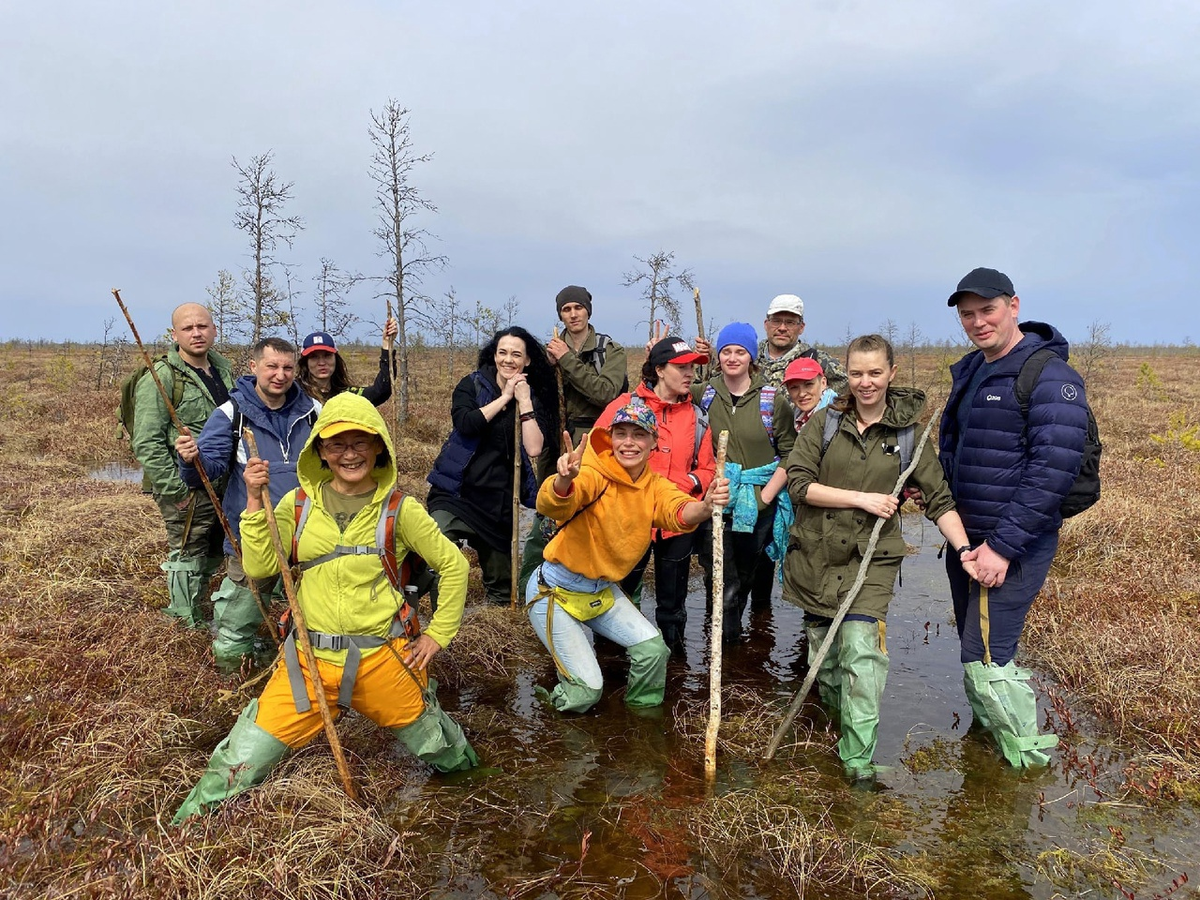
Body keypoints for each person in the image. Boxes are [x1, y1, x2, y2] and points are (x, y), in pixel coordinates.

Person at [173, 393, 477, 822]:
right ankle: (184, 831)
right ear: (320, 449)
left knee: (443, 750)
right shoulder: (295, 505)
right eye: (336, 444)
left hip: (383, 660)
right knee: (240, 764)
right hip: (308, 664)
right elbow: (260, 567)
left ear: (379, 448)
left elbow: (454, 566)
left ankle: (481, 800)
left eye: (360, 443)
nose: (349, 454)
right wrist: (255, 502)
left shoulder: (400, 509)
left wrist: (437, 635)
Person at [783, 334, 976, 783]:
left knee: (861, 653)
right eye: (856, 374)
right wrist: (864, 499)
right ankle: (835, 725)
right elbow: (798, 483)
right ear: (844, 376)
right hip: (816, 557)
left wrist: (964, 548)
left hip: (872, 561)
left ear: (891, 373)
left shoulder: (908, 435)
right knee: (825, 663)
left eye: (874, 373)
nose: (865, 383)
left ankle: (857, 765)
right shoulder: (826, 423)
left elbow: (939, 500)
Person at [939, 267, 1088, 768]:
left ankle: (1024, 769)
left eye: (988, 310)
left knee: (987, 658)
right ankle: (988, 747)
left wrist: (1002, 547)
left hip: (1008, 546)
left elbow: (1054, 470)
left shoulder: (1049, 376)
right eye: (968, 314)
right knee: (975, 648)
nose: (978, 322)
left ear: (1014, 306)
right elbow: (963, 448)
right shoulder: (973, 369)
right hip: (967, 539)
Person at [525, 402, 729, 713]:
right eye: (621, 434)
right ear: (611, 439)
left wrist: (706, 505)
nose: (629, 443)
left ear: (653, 444)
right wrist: (564, 479)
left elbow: (678, 511)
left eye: (639, 435)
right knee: (587, 695)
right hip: (554, 593)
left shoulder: (654, 486)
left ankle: (641, 720)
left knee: (652, 650)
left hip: (601, 592)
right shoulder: (594, 474)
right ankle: (554, 700)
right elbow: (555, 505)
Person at [175, 337, 319, 672]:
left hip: (310, 535)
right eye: (271, 366)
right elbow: (206, 474)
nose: (280, 375)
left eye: (287, 367)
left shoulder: (314, 411)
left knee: (319, 615)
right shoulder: (231, 413)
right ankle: (229, 681)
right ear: (254, 368)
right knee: (238, 617)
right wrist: (191, 460)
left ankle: (308, 675)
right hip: (251, 536)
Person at [698, 294, 847, 608]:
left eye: (790, 322)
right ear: (766, 324)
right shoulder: (748, 358)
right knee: (724, 573)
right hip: (738, 483)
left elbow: (852, 393)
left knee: (771, 562)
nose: (782, 327)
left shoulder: (815, 359)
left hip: (788, 472)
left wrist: (827, 416)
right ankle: (734, 634)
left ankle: (769, 625)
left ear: (800, 326)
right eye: (776, 321)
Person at [595, 335, 716, 656]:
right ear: (660, 369)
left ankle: (674, 669)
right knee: (615, 599)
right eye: (681, 367)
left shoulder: (698, 417)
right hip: (627, 522)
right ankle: (609, 667)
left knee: (672, 607)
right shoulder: (625, 407)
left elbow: (707, 469)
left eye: (693, 367)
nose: (689, 373)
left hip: (676, 523)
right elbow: (596, 454)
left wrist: (682, 486)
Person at [427, 326, 556, 605]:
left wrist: (523, 402)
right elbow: (466, 423)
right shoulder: (471, 384)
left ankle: (498, 628)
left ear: (527, 361)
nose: (508, 360)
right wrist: (504, 398)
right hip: (457, 493)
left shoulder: (531, 397)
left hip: (499, 502)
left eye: (516, 354)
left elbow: (534, 448)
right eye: (503, 353)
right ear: (494, 355)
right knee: (437, 550)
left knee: (501, 588)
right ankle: (442, 619)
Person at [518, 285, 628, 595]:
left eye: (578, 307)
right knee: (548, 513)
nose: (573, 314)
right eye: (566, 309)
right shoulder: (548, 350)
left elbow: (605, 393)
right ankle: (532, 587)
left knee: (593, 514)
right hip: (556, 439)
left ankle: (594, 586)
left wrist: (566, 361)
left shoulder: (611, 350)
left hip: (596, 440)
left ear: (588, 311)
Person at [692, 323, 798, 645]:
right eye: (726, 351)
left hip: (757, 504)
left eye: (740, 352)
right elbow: (662, 392)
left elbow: (791, 453)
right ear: (718, 356)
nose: (733, 358)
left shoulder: (772, 400)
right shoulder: (703, 393)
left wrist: (765, 495)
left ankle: (739, 654)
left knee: (746, 578)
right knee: (720, 579)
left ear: (751, 356)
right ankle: (723, 648)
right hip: (716, 501)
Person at [131, 303, 234, 627]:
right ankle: (183, 623)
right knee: (186, 555)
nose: (197, 333)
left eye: (202, 326)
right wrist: (176, 489)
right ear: (174, 335)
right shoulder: (161, 376)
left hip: (220, 481)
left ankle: (200, 606)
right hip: (184, 485)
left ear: (214, 330)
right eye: (188, 328)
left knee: (215, 549)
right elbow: (145, 441)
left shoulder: (223, 370)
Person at [296, 318, 398, 406]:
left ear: (336, 359)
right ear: (306, 362)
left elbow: (380, 392)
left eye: (327, 356)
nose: (322, 362)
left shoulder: (347, 395)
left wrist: (387, 346)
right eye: (314, 357)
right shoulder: (294, 393)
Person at [781, 356, 838, 432]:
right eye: (794, 387)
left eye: (808, 384)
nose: (802, 394)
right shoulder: (797, 417)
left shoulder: (836, 418)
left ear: (823, 383)